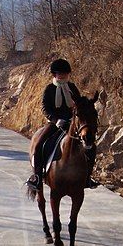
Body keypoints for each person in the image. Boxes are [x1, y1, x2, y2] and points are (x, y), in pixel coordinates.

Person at [26, 58, 98, 191]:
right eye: (60, 73)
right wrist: (56, 120)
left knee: (91, 146)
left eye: (65, 73)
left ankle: (88, 177)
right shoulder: (50, 89)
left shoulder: (72, 87)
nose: (63, 75)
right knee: (38, 145)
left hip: (72, 123)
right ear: (55, 74)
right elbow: (45, 108)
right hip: (55, 123)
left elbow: (79, 105)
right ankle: (37, 177)